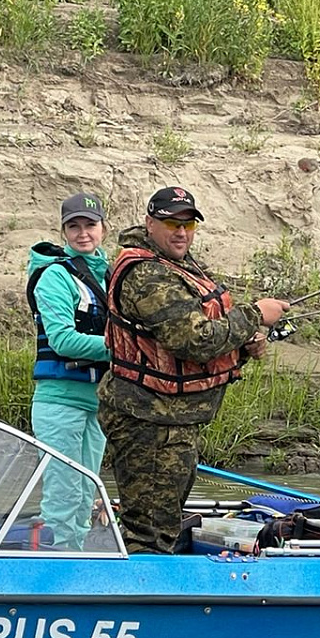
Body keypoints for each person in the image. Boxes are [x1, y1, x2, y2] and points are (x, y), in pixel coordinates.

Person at [100, 186, 290, 554]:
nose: (181, 232)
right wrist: (254, 314)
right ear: (150, 223)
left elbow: (204, 331)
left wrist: (244, 345)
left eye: (188, 225)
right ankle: (142, 588)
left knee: (164, 523)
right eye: (172, 223)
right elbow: (193, 340)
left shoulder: (178, 265)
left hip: (173, 421)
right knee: (150, 533)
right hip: (147, 422)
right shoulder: (146, 275)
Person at [26, 191, 112, 551]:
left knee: (85, 494)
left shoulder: (110, 276)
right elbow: (62, 340)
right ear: (63, 232)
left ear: (103, 229)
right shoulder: (54, 277)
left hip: (98, 403)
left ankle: (76, 559)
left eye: (90, 225)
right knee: (63, 495)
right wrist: (120, 348)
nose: (83, 233)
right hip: (59, 402)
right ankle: (56, 561)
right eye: (73, 226)